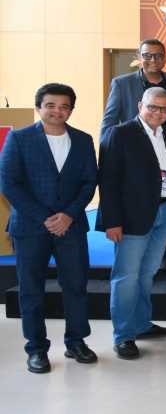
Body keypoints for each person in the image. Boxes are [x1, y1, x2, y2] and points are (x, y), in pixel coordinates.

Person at [0, 83, 97, 373]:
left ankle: (76, 342)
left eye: (64, 106)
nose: (58, 111)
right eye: (51, 105)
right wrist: (45, 217)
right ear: (39, 107)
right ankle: (36, 349)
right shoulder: (19, 138)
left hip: (72, 226)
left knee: (76, 286)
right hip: (30, 227)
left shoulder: (82, 140)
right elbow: (9, 183)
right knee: (31, 290)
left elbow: (89, 182)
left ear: (71, 110)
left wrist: (68, 215)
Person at [97, 87, 166, 360]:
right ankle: (123, 336)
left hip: (165, 212)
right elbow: (108, 181)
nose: (158, 112)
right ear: (139, 105)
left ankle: (142, 324)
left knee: (147, 273)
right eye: (152, 106)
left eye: (164, 108)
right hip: (132, 217)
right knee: (126, 276)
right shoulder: (120, 133)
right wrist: (112, 221)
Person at [100, 39, 166, 142]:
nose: (153, 60)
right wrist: (106, 148)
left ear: (165, 58)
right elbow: (109, 122)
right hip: (133, 143)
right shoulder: (122, 84)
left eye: (158, 56)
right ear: (139, 57)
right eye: (147, 56)